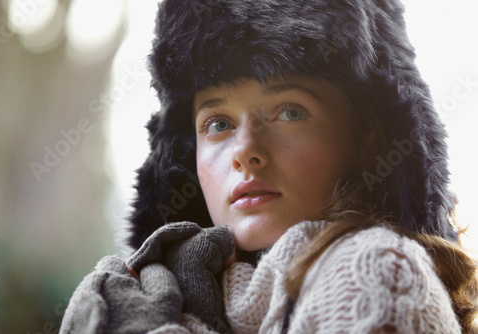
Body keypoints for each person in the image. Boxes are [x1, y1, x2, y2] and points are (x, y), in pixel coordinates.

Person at [60, 0, 478, 333]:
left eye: (289, 112)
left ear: (367, 140)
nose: (246, 151)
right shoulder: (165, 292)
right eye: (218, 123)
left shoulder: (378, 272)